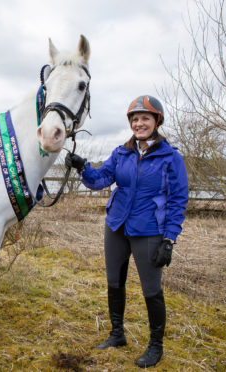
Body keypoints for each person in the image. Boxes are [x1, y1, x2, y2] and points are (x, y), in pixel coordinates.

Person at [65, 95, 189, 368]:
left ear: (157, 121)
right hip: (117, 226)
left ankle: (156, 346)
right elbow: (100, 181)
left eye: (145, 118)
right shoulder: (121, 153)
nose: (139, 123)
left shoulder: (171, 158)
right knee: (114, 282)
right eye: (134, 119)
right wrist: (83, 167)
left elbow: (178, 201)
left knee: (151, 289)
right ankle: (117, 334)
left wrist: (169, 239)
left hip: (149, 231)